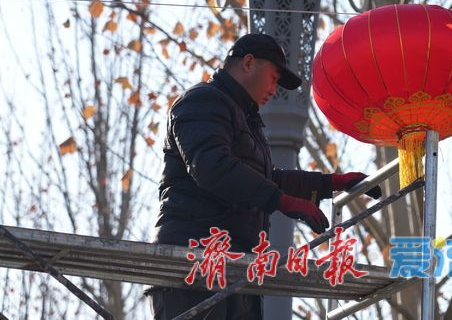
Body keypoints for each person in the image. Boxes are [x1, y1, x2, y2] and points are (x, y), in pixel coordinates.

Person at [145, 33, 381, 320]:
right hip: (193, 260)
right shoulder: (202, 102)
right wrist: (281, 201)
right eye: (273, 77)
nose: (274, 89)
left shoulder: (244, 117)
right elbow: (212, 167)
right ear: (248, 63)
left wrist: (330, 183)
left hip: (236, 263)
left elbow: (263, 178)